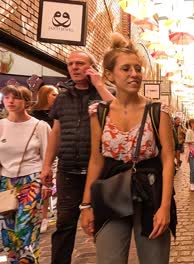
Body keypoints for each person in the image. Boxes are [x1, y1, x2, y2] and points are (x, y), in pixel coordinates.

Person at [79, 32, 175, 263]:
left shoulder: (157, 111)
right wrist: (85, 205)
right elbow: (96, 160)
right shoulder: (99, 113)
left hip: (149, 191)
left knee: (154, 259)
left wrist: (165, 207)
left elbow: (168, 159)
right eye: (126, 69)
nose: (134, 74)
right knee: (109, 259)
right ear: (109, 75)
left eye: (138, 68)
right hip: (111, 191)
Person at [39, 50, 114, 264]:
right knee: (64, 224)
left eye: (80, 63)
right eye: (71, 64)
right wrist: (47, 165)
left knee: (103, 223)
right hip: (68, 170)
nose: (74, 67)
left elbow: (120, 112)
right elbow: (56, 132)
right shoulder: (62, 97)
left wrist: (100, 85)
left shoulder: (104, 92)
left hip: (101, 171)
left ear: (91, 67)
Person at [0, 85, 51, 263]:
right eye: (6, 97)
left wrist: (46, 184)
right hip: (5, 182)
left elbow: (48, 157)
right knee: (7, 231)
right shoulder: (1, 126)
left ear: (27, 101)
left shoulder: (39, 126)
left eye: (16, 97)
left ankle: (28, 260)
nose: (10, 101)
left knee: (25, 228)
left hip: (32, 179)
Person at [30, 84, 59, 233]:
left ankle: (45, 216)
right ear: (45, 95)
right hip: (36, 153)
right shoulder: (34, 115)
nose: (56, 96)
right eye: (53, 94)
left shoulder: (58, 113)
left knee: (46, 185)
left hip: (54, 152)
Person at [185, 119, 194, 191]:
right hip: (191, 152)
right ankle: (191, 184)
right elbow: (187, 141)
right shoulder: (189, 131)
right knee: (193, 168)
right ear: (191, 124)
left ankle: (193, 182)